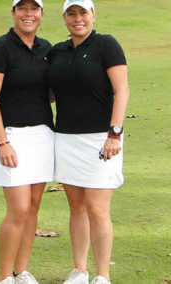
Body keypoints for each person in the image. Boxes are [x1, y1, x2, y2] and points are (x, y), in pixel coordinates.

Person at [47, 0, 129, 283]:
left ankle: (102, 275)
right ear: (64, 18)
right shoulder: (56, 52)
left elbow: (122, 90)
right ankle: (79, 270)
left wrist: (114, 133)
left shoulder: (106, 45)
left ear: (93, 15)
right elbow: (51, 93)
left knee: (97, 208)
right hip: (66, 138)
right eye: (71, 13)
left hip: (102, 139)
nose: (77, 18)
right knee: (76, 207)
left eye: (83, 12)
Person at [0, 0, 54, 283]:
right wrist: (2, 142)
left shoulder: (47, 48)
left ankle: (22, 271)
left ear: (41, 15)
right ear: (13, 13)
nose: (28, 14)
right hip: (11, 136)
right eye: (22, 8)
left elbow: (50, 92)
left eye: (33, 9)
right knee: (19, 208)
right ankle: (3, 277)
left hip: (43, 135)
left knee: (33, 206)